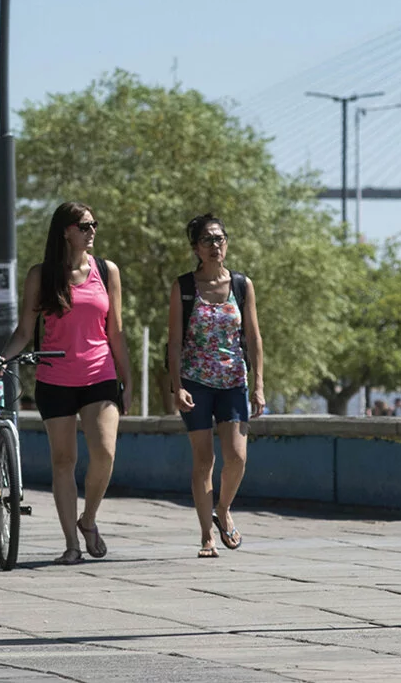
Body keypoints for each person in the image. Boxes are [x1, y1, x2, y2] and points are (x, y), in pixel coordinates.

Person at [0, 201, 133, 564]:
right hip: (55, 378)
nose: (92, 231)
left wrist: (128, 380)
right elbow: (25, 330)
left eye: (94, 224)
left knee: (104, 452)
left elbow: (116, 332)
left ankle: (88, 520)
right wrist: (2, 360)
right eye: (85, 225)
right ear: (65, 231)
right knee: (64, 460)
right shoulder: (41, 276)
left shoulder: (107, 271)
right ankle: (71, 544)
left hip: (100, 374)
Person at [169, 213, 264, 558]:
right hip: (196, 383)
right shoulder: (184, 287)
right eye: (207, 240)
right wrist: (177, 386)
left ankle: (222, 508)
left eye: (220, 238)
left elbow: (253, 337)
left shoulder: (241, 284)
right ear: (195, 247)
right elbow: (175, 341)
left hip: (233, 381)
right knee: (203, 460)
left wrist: (259, 385)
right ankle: (207, 535)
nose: (215, 246)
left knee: (237, 457)